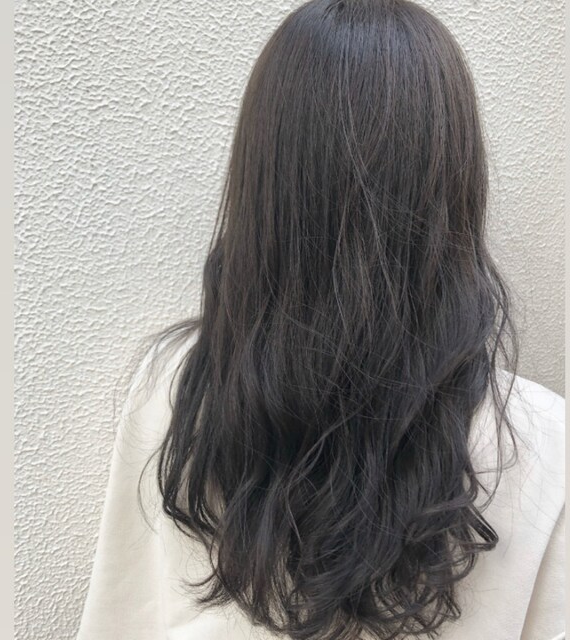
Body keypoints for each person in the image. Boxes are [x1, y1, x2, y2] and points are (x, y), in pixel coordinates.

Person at [75, 1, 565, 638]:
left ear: (264, 176)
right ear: (454, 178)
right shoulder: (542, 438)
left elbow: (123, 615)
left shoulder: (172, 386)